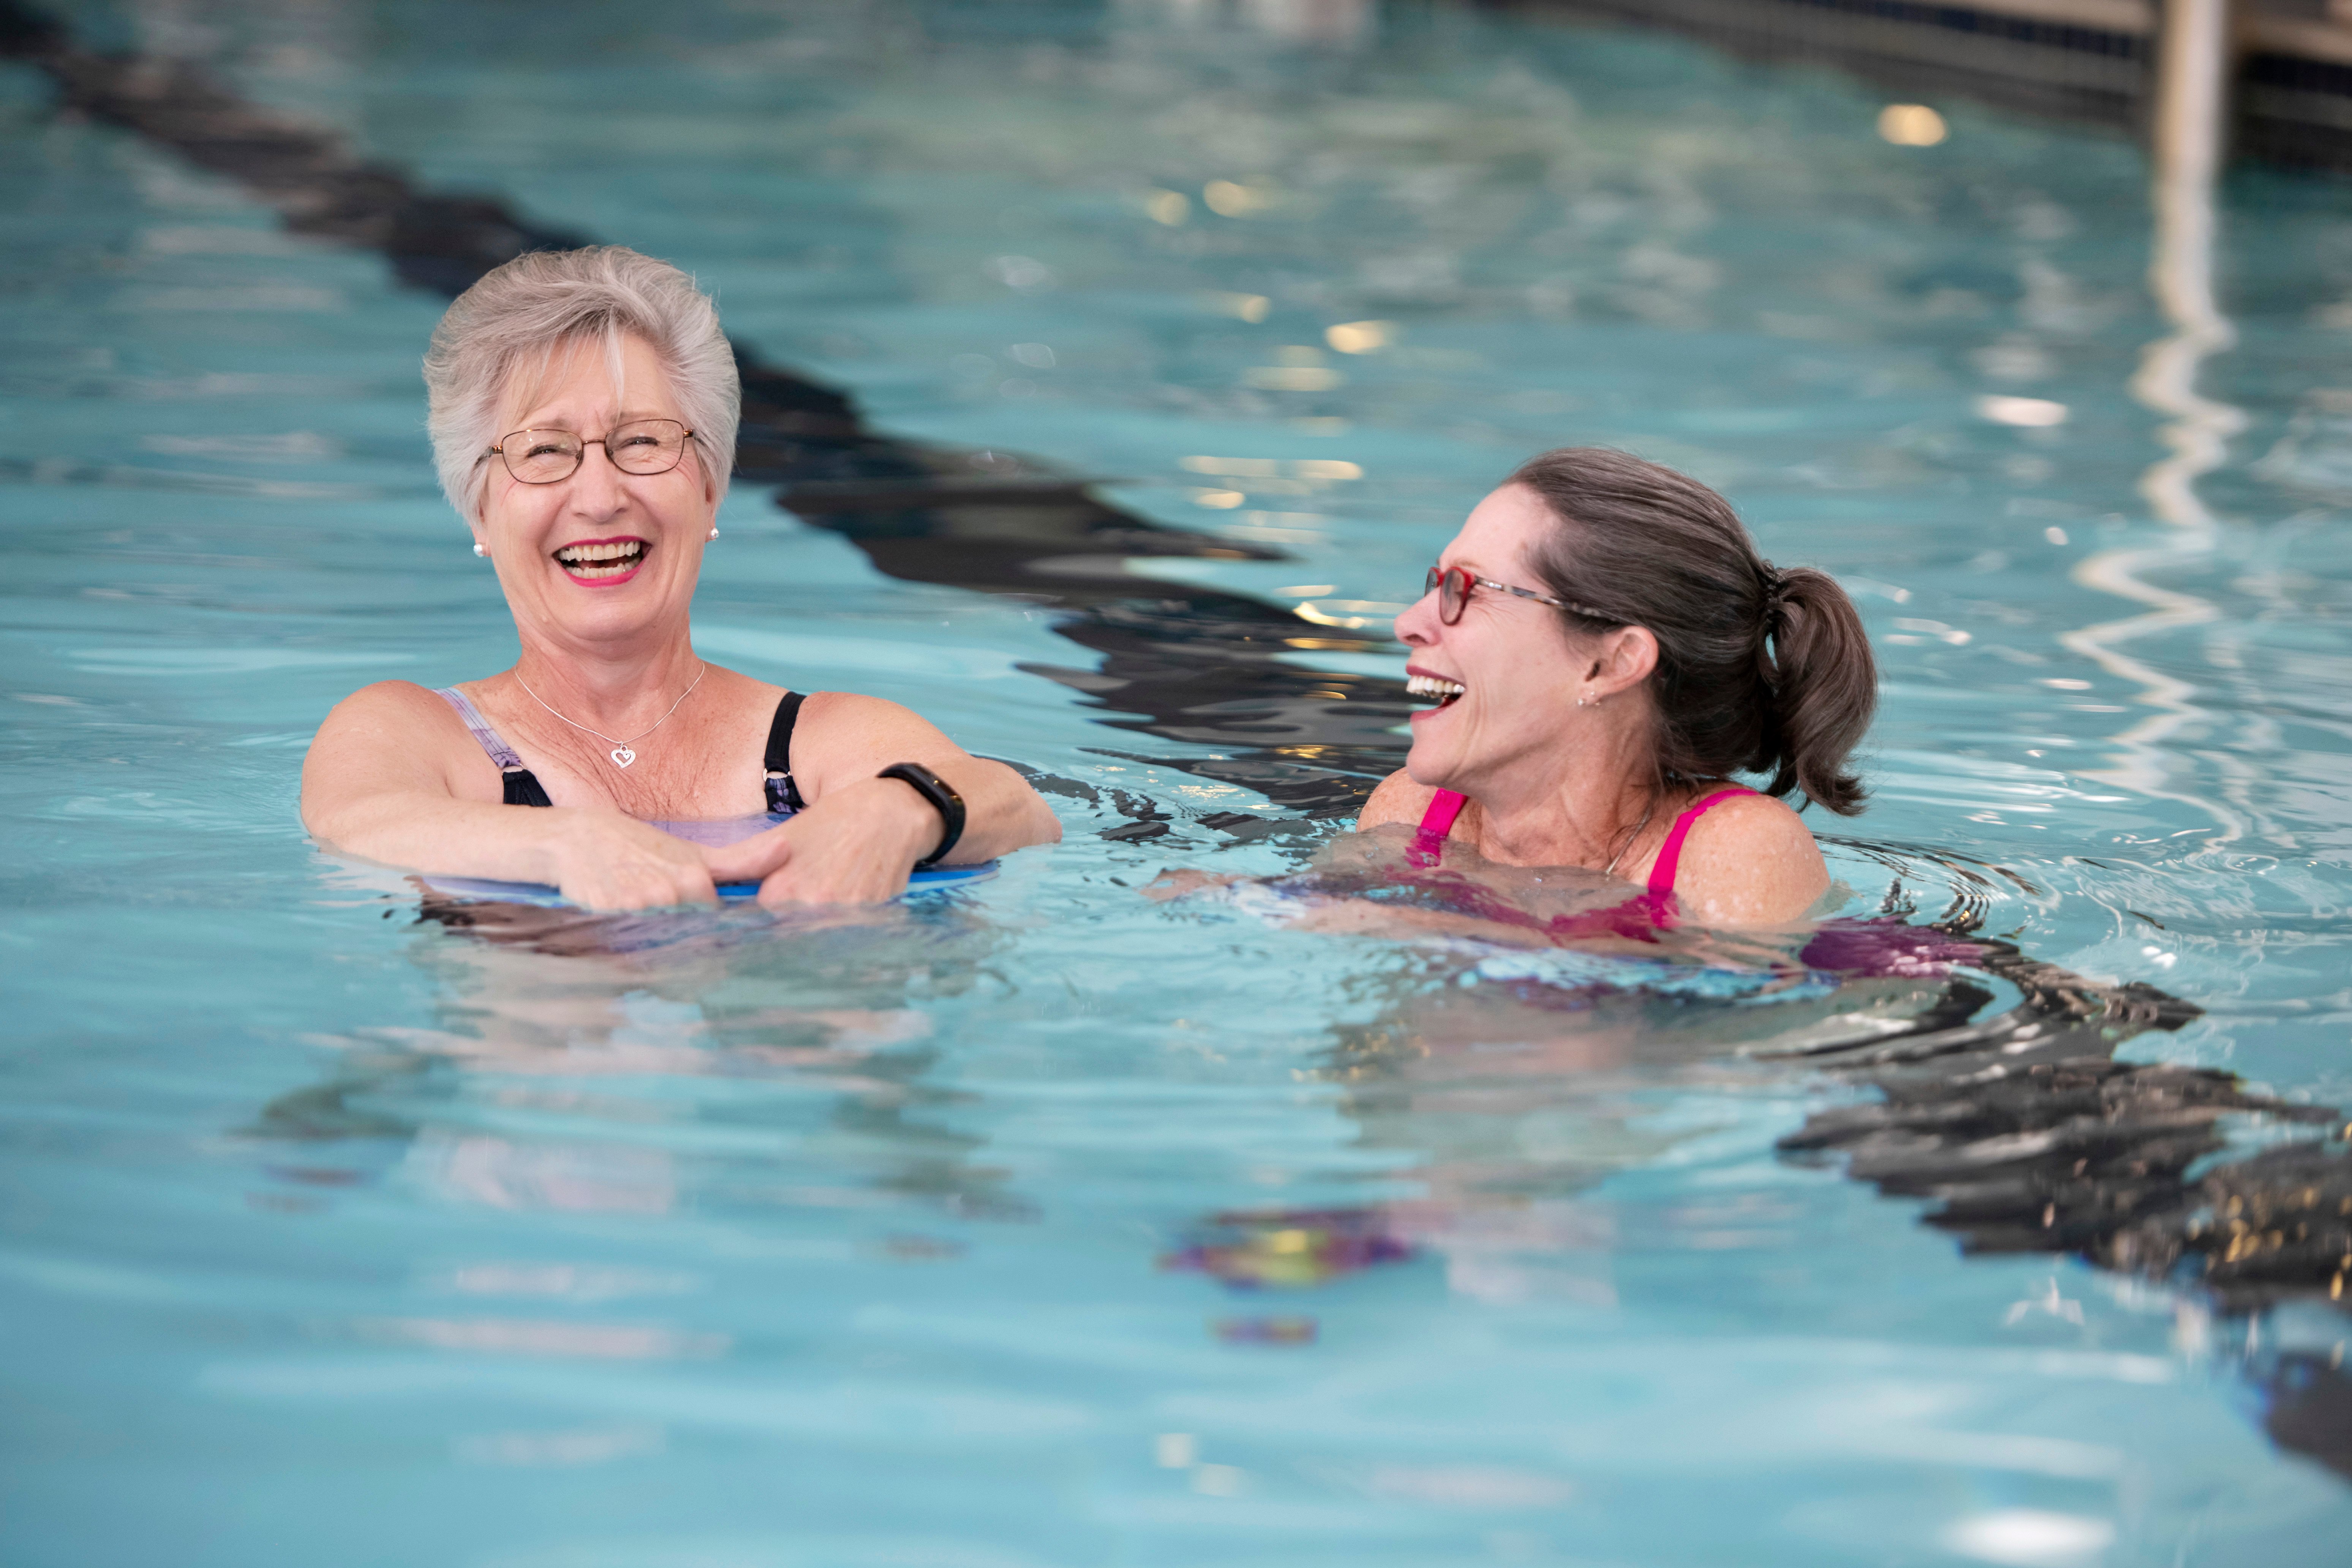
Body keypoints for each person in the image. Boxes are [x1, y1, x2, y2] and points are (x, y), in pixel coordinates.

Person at [301, 246, 1060, 910]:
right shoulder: (414, 734)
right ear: (480, 511)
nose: (599, 498)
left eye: (642, 442)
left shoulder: (813, 743)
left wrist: (903, 810)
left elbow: (1020, 810)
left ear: (708, 491)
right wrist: (565, 845)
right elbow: (359, 818)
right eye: (543, 452)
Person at [1356, 447, 1876, 929]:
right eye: (1438, 582)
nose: (1408, 623)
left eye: (1467, 589)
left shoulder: (1732, 853)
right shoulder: (1412, 817)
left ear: (1609, 664)